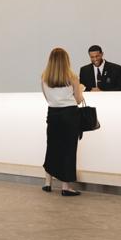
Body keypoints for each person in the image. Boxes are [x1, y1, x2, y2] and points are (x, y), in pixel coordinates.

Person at [41, 48, 84, 196]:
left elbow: (47, 98)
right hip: (69, 115)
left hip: (53, 114)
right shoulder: (72, 77)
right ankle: (66, 187)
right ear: (66, 60)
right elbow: (78, 100)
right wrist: (81, 89)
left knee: (52, 147)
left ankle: (48, 183)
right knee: (68, 150)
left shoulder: (44, 77)